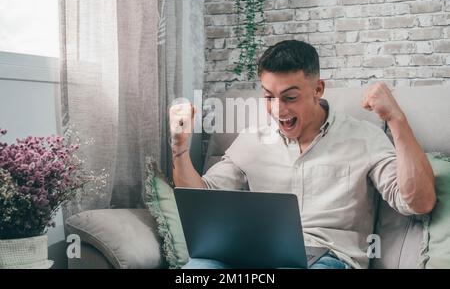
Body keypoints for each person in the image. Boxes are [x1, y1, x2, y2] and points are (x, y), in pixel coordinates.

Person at [169, 40, 436, 269]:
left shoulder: (364, 137)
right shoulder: (252, 139)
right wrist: (180, 148)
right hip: (254, 255)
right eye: (269, 97)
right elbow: (202, 197)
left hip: (328, 258)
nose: (277, 109)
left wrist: (396, 119)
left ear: (318, 90)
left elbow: (418, 202)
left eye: (290, 97)